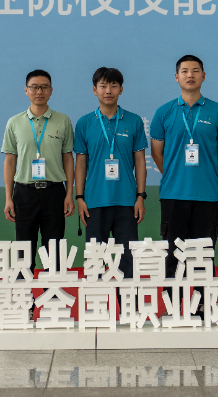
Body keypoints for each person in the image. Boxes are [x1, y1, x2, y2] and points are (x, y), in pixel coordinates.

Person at [150, 55, 218, 278]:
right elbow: (157, 153)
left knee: (203, 257)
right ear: (176, 77)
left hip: (206, 194)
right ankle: (173, 299)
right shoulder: (164, 112)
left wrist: (205, 174)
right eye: (184, 71)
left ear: (203, 76)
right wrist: (174, 174)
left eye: (195, 71)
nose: (190, 75)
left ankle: (203, 299)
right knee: (173, 256)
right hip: (173, 194)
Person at [73, 67, 148, 278]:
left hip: (127, 202)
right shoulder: (85, 123)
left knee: (127, 261)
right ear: (94, 90)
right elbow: (81, 163)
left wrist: (140, 196)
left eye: (113, 86)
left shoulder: (134, 121)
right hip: (95, 202)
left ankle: (128, 301)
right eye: (103, 86)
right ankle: (96, 301)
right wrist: (80, 198)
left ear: (121, 89)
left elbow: (140, 161)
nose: (108, 91)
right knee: (95, 261)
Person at [1, 69, 75, 267]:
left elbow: (68, 158)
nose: (39, 91)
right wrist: (9, 197)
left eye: (44, 87)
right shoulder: (14, 123)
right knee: (23, 252)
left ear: (51, 90)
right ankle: (24, 288)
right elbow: (10, 161)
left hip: (54, 192)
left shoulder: (63, 121)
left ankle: (52, 288)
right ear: (26, 90)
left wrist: (69, 193)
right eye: (34, 87)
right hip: (24, 193)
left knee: (54, 251)